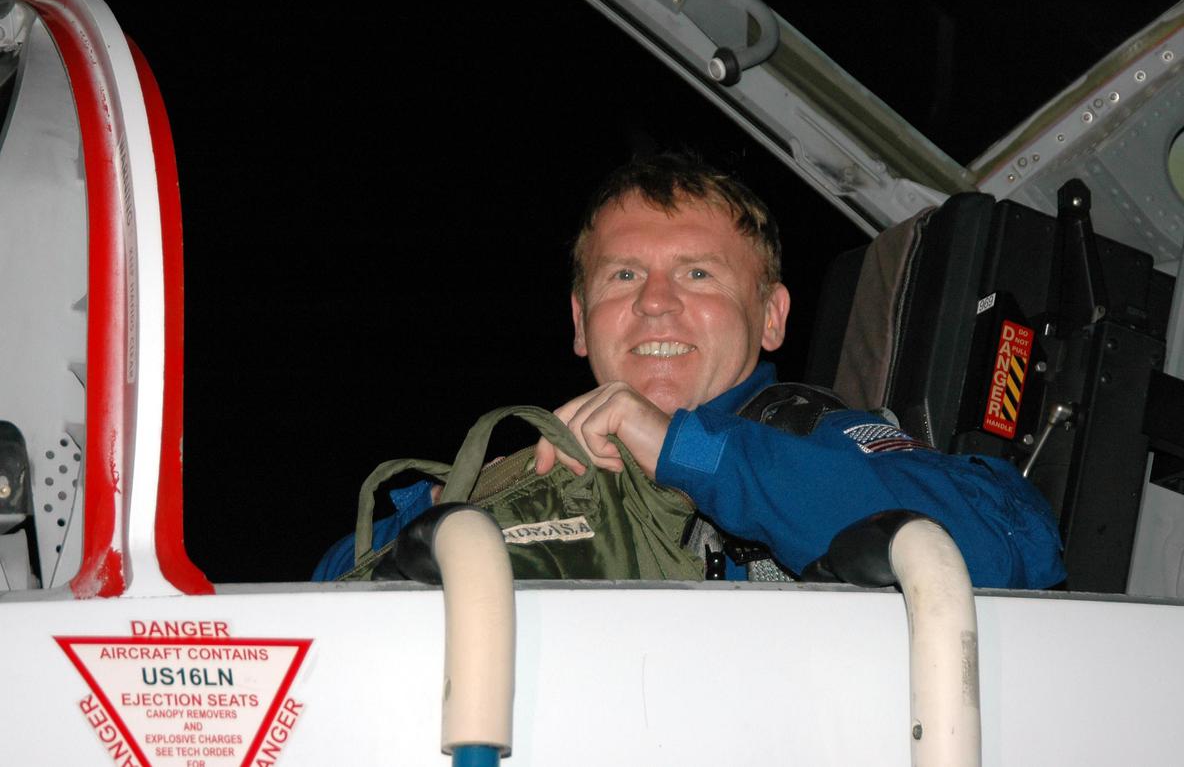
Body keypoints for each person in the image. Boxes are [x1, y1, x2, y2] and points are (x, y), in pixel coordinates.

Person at [315, 153, 1065, 588]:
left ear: (771, 315)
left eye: (699, 274)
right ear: (580, 323)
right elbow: (317, 599)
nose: (656, 304)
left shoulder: (808, 439)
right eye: (622, 277)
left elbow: (1016, 536)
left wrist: (689, 450)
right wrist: (462, 499)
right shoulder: (522, 470)